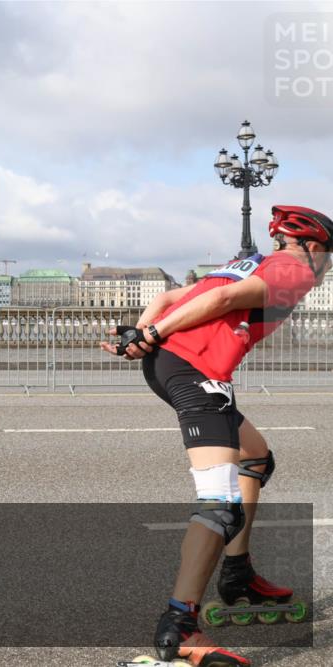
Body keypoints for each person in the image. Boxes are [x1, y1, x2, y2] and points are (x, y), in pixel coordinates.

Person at [100, 205, 333, 666]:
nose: (327, 266)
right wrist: (151, 331)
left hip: (169, 363)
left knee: (256, 457)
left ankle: (238, 574)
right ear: (311, 247)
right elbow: (223, 304)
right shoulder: (293, 269)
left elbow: (169, 300)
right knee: (220, 503)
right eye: (328, 256)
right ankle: (180, 626)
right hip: (196, 369)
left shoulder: (246, 263)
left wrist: (143, 335)